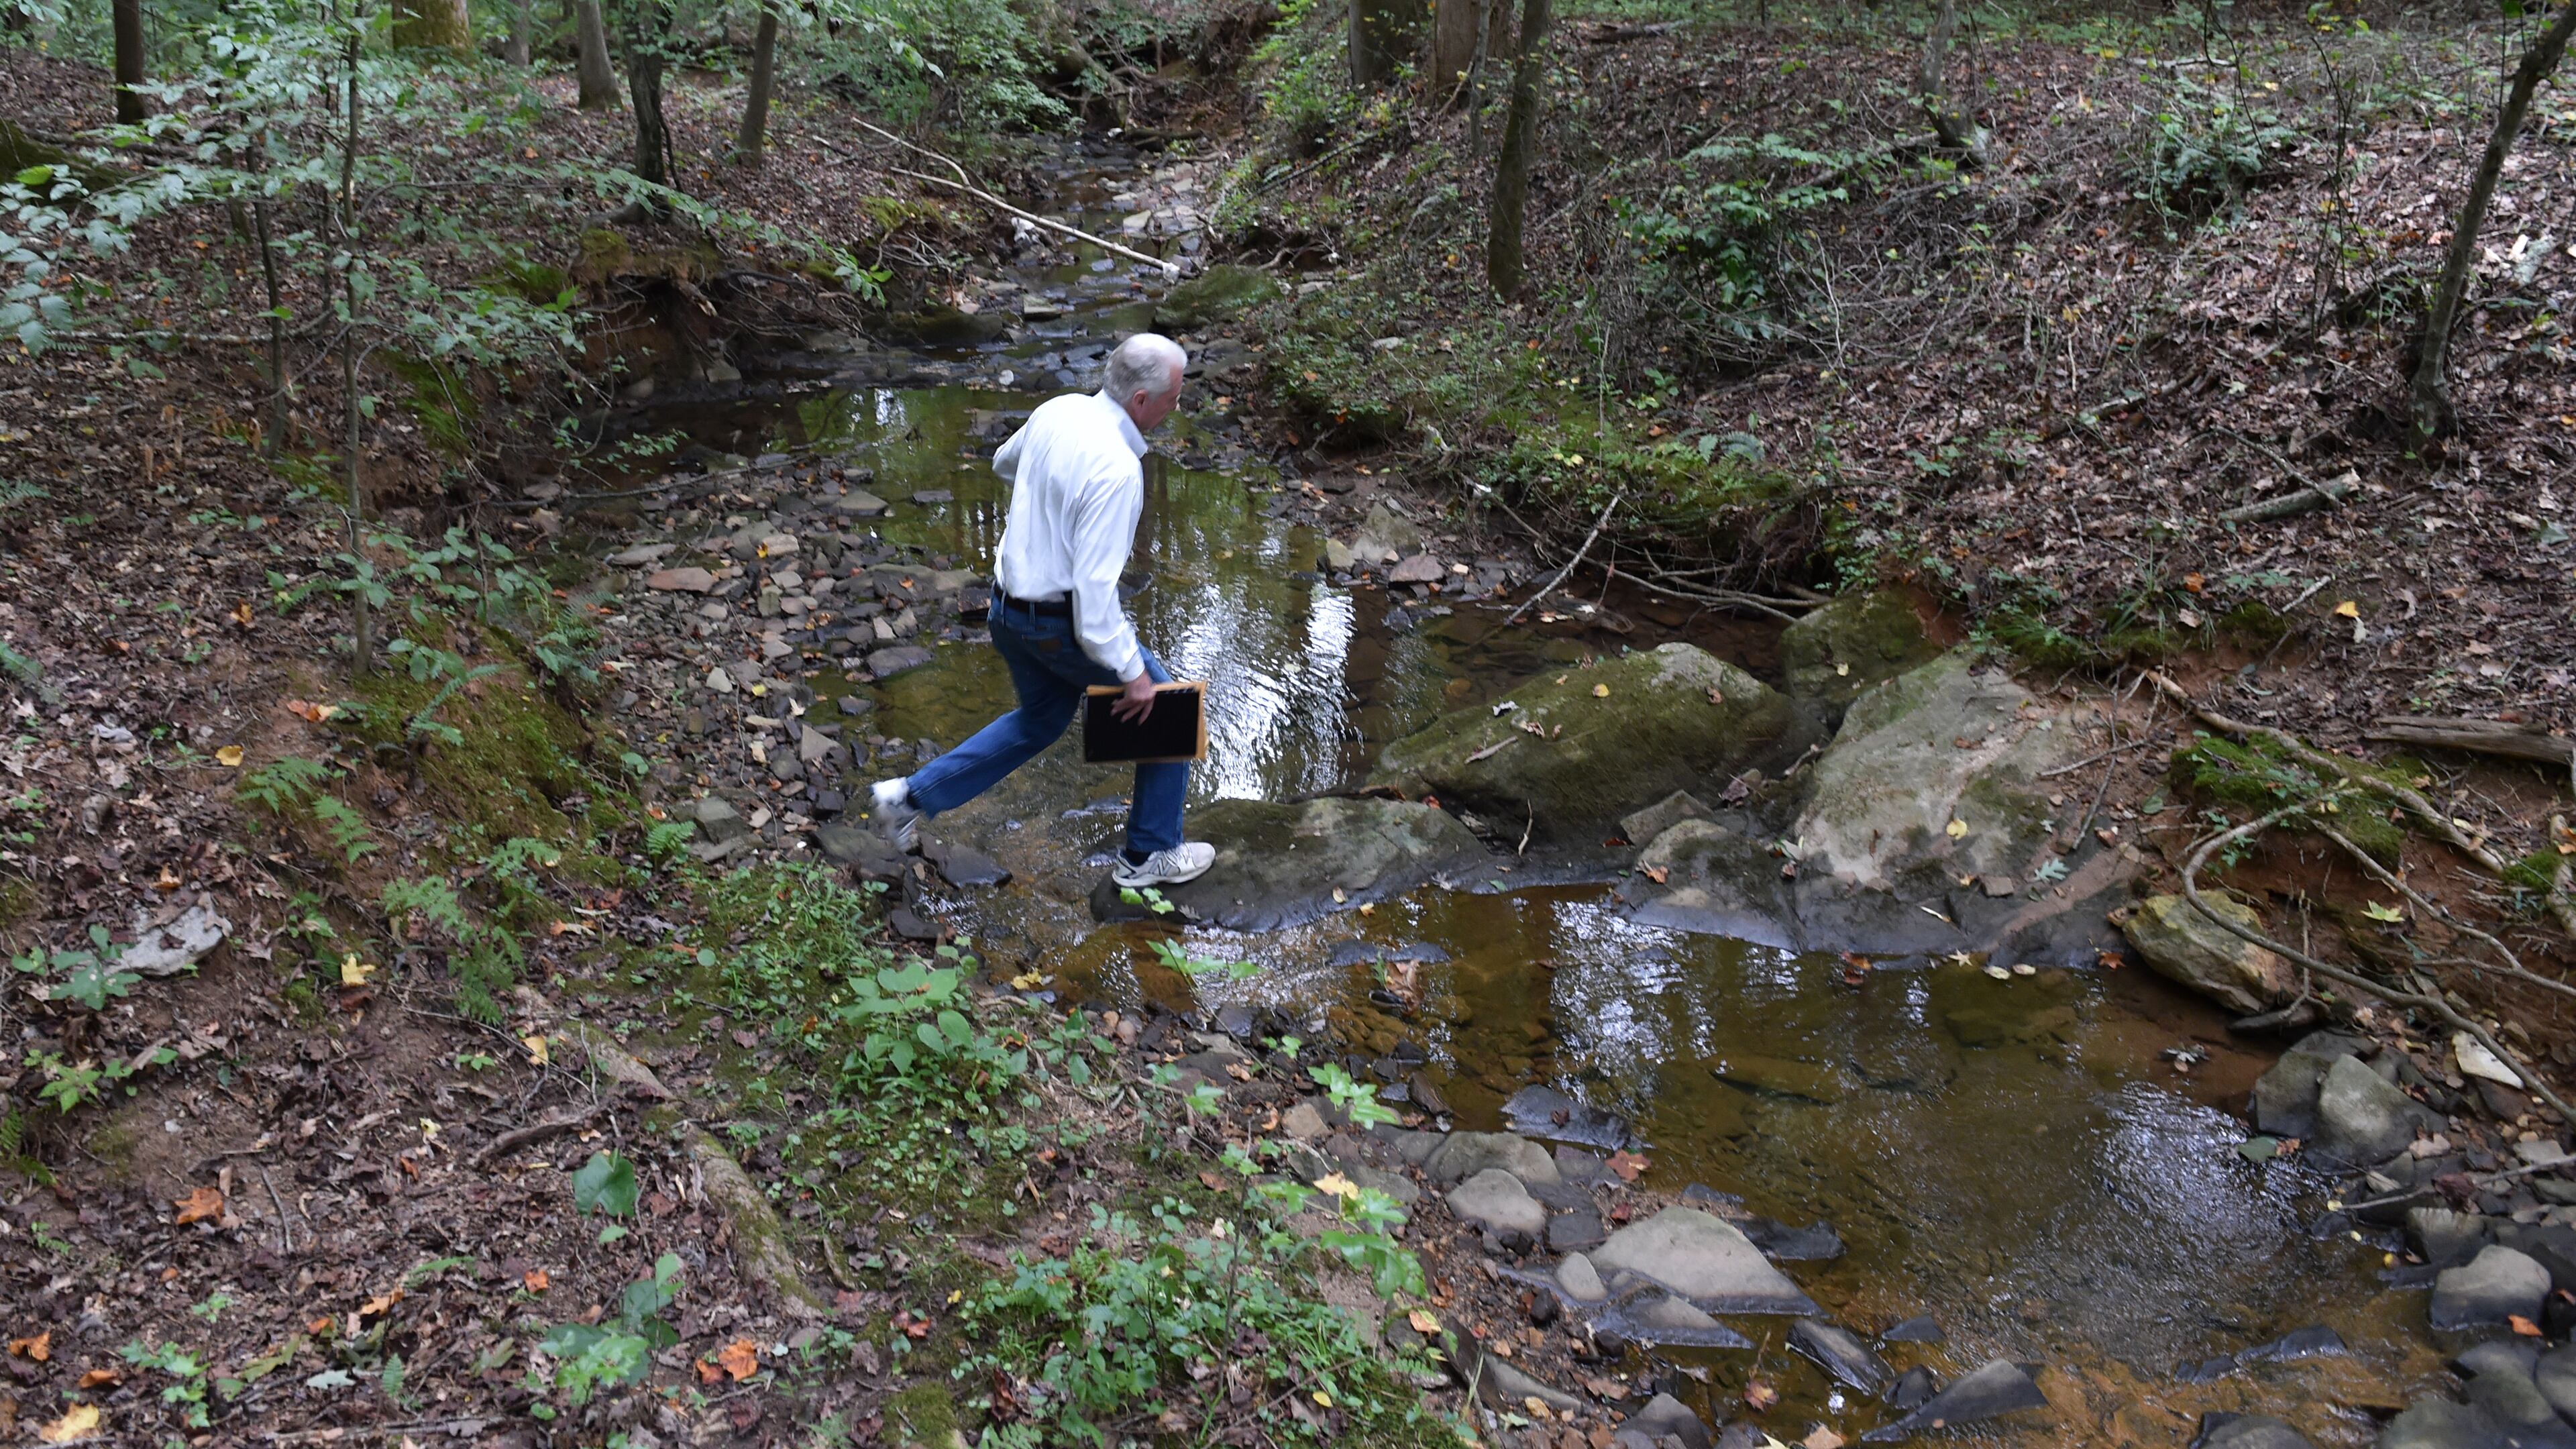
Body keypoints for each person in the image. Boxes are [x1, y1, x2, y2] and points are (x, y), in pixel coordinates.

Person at [867, 333, 1216, 888]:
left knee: (1040, 720)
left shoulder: (1060, 410)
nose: (1178, 407)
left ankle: (908, 796)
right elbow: (1095, 602)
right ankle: (1149, 855)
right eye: (1174, 397)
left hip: (1007, 614)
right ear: (1142, 401)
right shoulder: (1119, 471)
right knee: (1169, 714)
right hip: (1058, 625)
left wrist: (1048, 493)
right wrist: (1133, 676)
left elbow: (1006, 463)